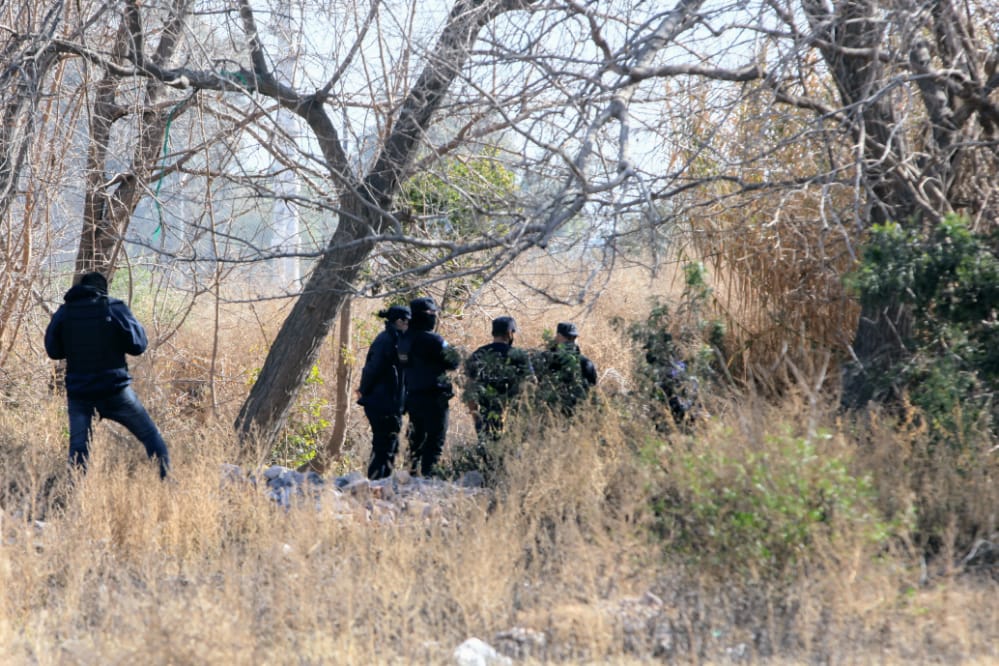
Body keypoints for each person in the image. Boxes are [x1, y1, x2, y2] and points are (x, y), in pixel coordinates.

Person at [44, 271, 170, 479]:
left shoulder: (64, 313)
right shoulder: (113, 307)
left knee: (78, 452)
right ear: (103, 290)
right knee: (150, 436)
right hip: (116, 392)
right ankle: (167, 484)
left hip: (80, 395)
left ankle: (74, 499)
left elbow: (53, 351)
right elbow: (138, 346)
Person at [398, 297, 460, 477]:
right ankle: (428, 481)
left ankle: (410, 478)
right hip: (434, 399)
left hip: (413, 397)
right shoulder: (434, 340)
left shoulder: (403, 340)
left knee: (415, 441)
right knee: (434, 441)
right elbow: (454, 361)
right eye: (432, 314)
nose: (434, 317)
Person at [357, 304, 411, 480]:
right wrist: (363, 391)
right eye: (408, 321)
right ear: (399, 321)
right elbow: (372, 369)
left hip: (388, 402)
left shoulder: (396, 339)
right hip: (381, 403)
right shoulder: (386, 340)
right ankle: (374, 484)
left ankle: (381, 484)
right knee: (383, 446)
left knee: (390, 446)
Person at [463, 315, 535, 441]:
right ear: (509, 333)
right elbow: (532, 383)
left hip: (485, 415)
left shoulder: (478, 354)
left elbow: (470, 388)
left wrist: (476, 416)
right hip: (513, 416)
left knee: (488, 454)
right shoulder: (519, 355)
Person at [536, 321, 598, 416]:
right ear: (558, 337)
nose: (571, 341)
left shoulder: (585, 363)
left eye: (572, 338)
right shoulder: (547, 359)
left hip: (565, 414)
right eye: (568, 338)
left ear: (558, 337)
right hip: (563, 414)